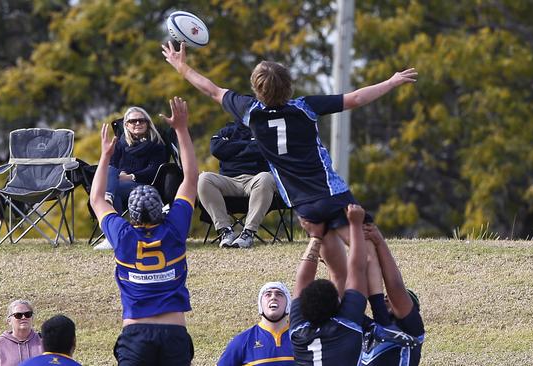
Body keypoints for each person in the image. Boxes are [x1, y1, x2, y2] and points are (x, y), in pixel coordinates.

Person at [162, 41, 416, 293]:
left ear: (256, 90)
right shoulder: (305, 107)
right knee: (368, 253)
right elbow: (357, 98)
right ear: (289, 86)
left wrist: (181, 67)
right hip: (331, 193)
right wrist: (391, 82)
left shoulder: (250, 111)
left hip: (302, 205)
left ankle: (342, 316)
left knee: (337, 269)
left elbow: (211, 90)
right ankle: (384, 313)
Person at [89, 96, 198, 365]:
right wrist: (182, 130)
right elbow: (191, 177)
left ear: (132, 215)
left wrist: (105, 157)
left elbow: (97, 200)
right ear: (162, 209)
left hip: (135, 332)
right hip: (174, 331)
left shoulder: (123, 236)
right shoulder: (174, 229)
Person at [288, 204, 368, 365]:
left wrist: (317, 236)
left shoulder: (300, 331)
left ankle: (324, 227)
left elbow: (358, 270)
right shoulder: (297, 328)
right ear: (339, 302)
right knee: (339, 275)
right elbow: (302, 281)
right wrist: (315, 236)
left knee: (339, 275)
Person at [94, 106, 169, 250]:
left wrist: (131, 176)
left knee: (110, 189)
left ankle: (111, 231)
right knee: (110, 174)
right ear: (126, 125)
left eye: (141, 120)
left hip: (145, 187)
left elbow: (154, 169)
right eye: (133, 121)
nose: (137, 124)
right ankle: (111, 235)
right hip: (120, 184)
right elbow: (112, 166)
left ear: (148, 123)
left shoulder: (157, 144)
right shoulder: (120, 143)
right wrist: (118, 177)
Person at [199, 121, 276, 248]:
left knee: (265, 177)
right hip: (228, 181)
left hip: (255, 180)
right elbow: (216, 148)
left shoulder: (264, 128)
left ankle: (248, 233)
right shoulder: (226, 130)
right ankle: (226, 231)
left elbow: (264, 150)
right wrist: (250, 146)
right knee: (204, 178)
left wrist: (231, 148)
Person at [360, 224, 425, 366]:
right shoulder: (369, 330)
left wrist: (379, 242)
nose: (387, 297)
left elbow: (395, 287)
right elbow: (341, 301)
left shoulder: (412, 331)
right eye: (386, 296)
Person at [217, 282, 294, 366]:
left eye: (279, 294)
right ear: (260, 305)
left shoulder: (304, 339)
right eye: (268, 294)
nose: (273, 297)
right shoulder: (242, 341)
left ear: (288, 304)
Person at [0, 299, 43, 366]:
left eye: (28, 314)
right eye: (18, 315)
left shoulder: (44, 342)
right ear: (9, 321)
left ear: (32, 318)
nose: (24, 317)